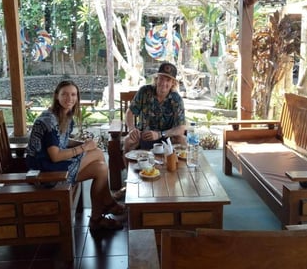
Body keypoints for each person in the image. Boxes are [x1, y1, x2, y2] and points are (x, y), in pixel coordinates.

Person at [25, 80, 125, 231]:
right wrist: (84, 148)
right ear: (56, 96)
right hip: (44, 173)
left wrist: (80, 144)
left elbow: (62, 141)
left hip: (52, 166)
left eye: (73, 94)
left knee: (101, 168)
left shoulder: (64, 115)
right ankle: (106, 206)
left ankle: (98, 216)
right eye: (64, 94)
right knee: (97, 154)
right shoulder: (49, 120)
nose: (69, 98)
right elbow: (55, 156)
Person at [123, 62, 187, 161]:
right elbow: (130, 112)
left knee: (182, 139)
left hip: (166, 139)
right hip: (143, 135)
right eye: (161, 78)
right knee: (128, 140)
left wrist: (160, 134)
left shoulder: (176, 99)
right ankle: (129, 174)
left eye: (168, 80)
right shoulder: (144, 91)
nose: (163, 83)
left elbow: (181, 128)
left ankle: (179, 171)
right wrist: (132, 129)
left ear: (173, 83)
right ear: (156, 79)